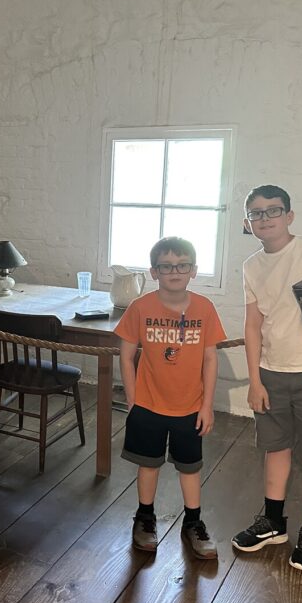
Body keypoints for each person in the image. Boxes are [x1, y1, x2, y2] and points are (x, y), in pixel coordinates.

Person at [231, 184, 302, 572]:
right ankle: (274, 521)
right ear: (248, 223)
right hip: (271, 372)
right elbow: (253, 325)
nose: (265, 218)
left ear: (289, 215)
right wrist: (254, 379)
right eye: (256, 213)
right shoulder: (251, 266)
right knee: (275, 448)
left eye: (273, 210)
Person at [115, 236, 227, 559]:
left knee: (189, 468)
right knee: (148, 465)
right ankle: (145, 518)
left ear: (193, 270)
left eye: (182, 265)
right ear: (154, 271)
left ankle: (192, 523)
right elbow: (125, 356)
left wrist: (207, 405)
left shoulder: (205, 309)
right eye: (166, 266)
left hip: (190, 407)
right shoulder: (140, 308)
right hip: (148, 405)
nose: (174, 272)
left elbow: (210, 359)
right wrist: (133, 400)